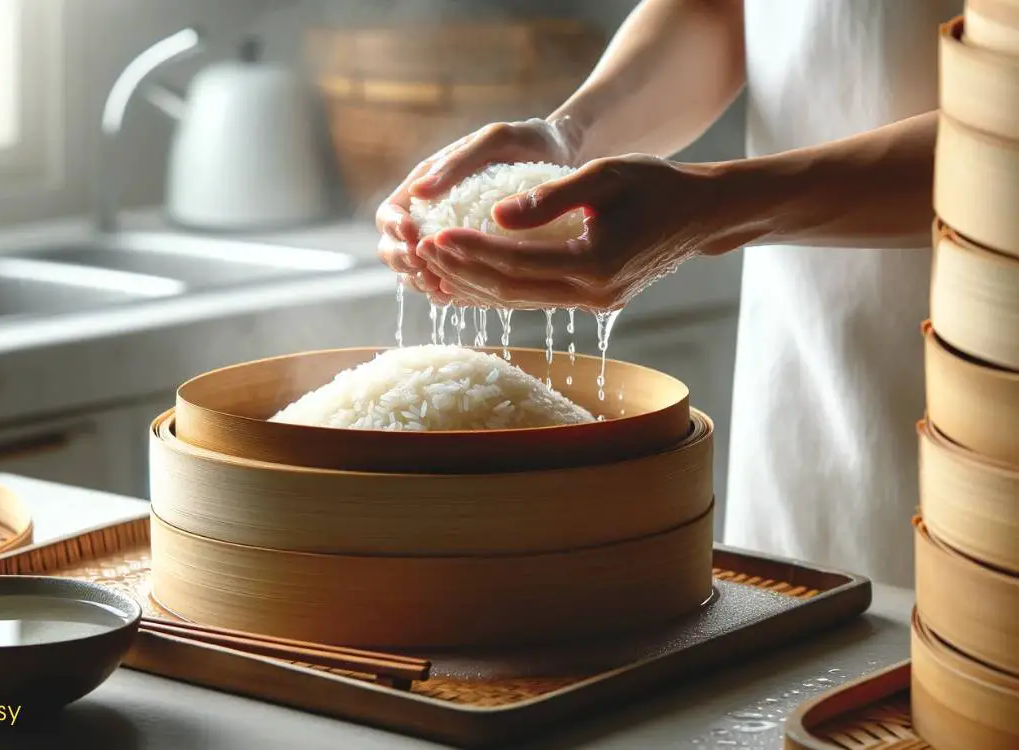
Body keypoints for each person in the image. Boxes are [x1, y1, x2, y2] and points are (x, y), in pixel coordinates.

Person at [376, 0, 963, 589]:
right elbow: (718, 10)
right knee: (805, 624)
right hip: (799, 353)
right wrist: (567, 138)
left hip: (976, 348)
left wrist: (720, 206)